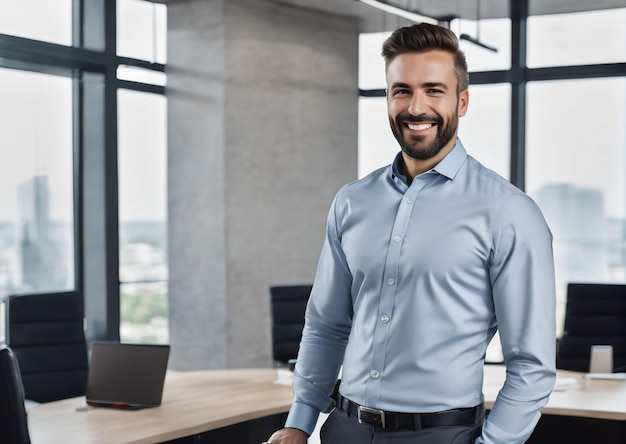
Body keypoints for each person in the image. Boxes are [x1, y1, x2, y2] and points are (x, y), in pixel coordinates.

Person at [264, 22, 556, 444]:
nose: (416, 107)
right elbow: (326, 324)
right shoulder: (352, 201)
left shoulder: (509, 213)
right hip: (343, 430)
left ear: (463, 100)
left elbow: (530, 363)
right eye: (402, 90)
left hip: (442, 435)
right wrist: (299, 421)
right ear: (388, 98)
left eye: (434, 90)